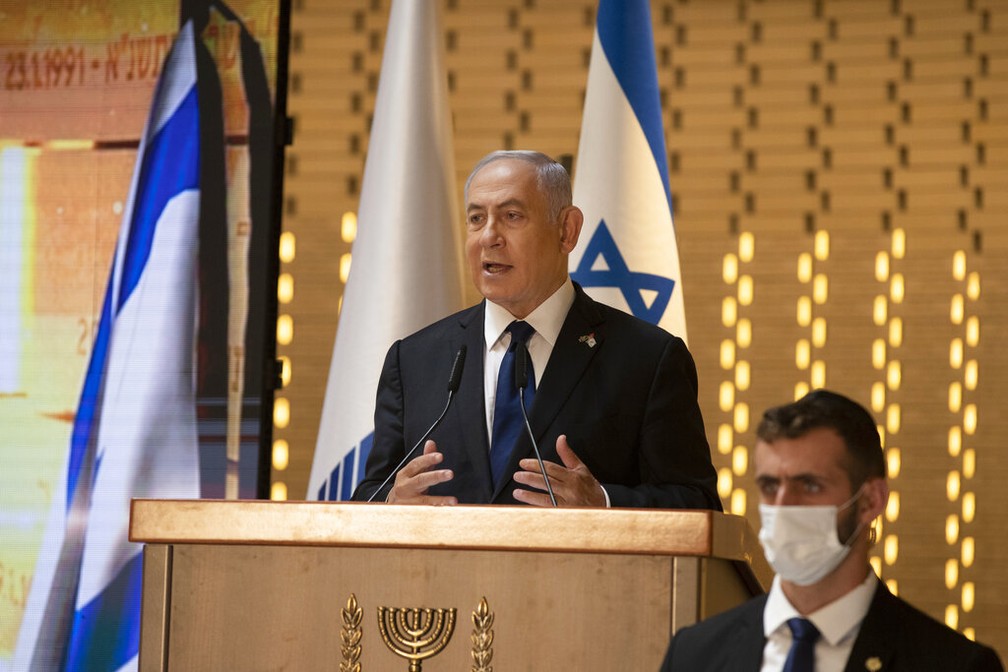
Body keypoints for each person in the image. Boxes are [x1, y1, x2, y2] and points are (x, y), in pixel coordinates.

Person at [352, 150, 720, 508]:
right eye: (476, 219)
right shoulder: (415, 359)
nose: (488, 237)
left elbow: (696, 502)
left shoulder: (647, 359)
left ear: (566, 231)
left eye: (512, 216)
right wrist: (390, 500)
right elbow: (370, 493)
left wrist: (604, 503)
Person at [660, 389, 1004, 671]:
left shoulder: (954, 666)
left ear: (871, 501)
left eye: (808, 486)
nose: (782, 505)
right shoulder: (694, 655)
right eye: (769, 486)